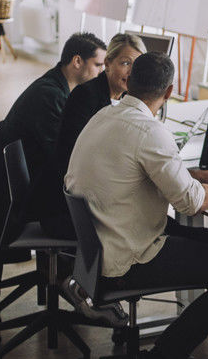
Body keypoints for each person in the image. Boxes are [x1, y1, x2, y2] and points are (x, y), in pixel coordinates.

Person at [65, 52, 208, 359]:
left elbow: (142, 166)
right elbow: (192, 202)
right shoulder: (150, 131)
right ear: (169, 91)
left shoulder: (106, 115)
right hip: (128, 257)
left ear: (128, 81)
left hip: (99, 247)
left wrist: (199, 173)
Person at [32, 32, 146, 239]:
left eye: (136, 66)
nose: (131, 72)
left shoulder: (125, 98)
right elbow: (84, 161)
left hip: (89, 199)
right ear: (108, 63)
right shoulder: (87, 96)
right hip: (67, 207)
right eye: (125, 63)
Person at [3, 32, 106, 193]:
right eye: (98, 65)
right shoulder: (50, 95)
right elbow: (61, 154)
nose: (102, 72)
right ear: (77, 61)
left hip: (33, 169)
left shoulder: (58, 85)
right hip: (32, 181)